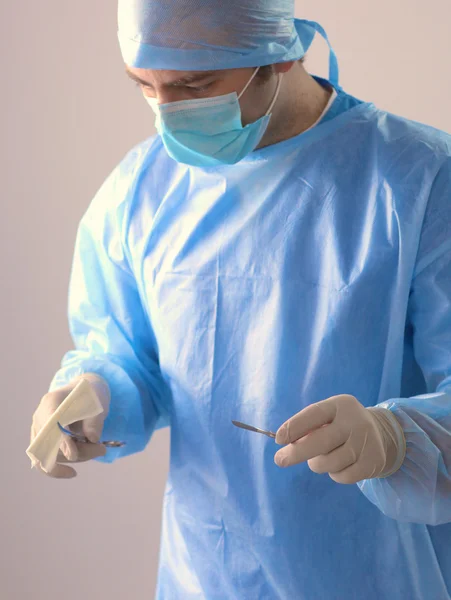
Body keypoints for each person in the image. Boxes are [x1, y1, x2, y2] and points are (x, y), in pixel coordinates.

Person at [29, 1, 451, 598]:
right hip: (204, 575)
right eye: (145, 87)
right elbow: (129, 358)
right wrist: (93, 393)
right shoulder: (141, 191)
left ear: (280, 53)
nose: (167, 114)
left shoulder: (423, 181)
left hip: (377, 576)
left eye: (194, 84)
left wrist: (396, 440)